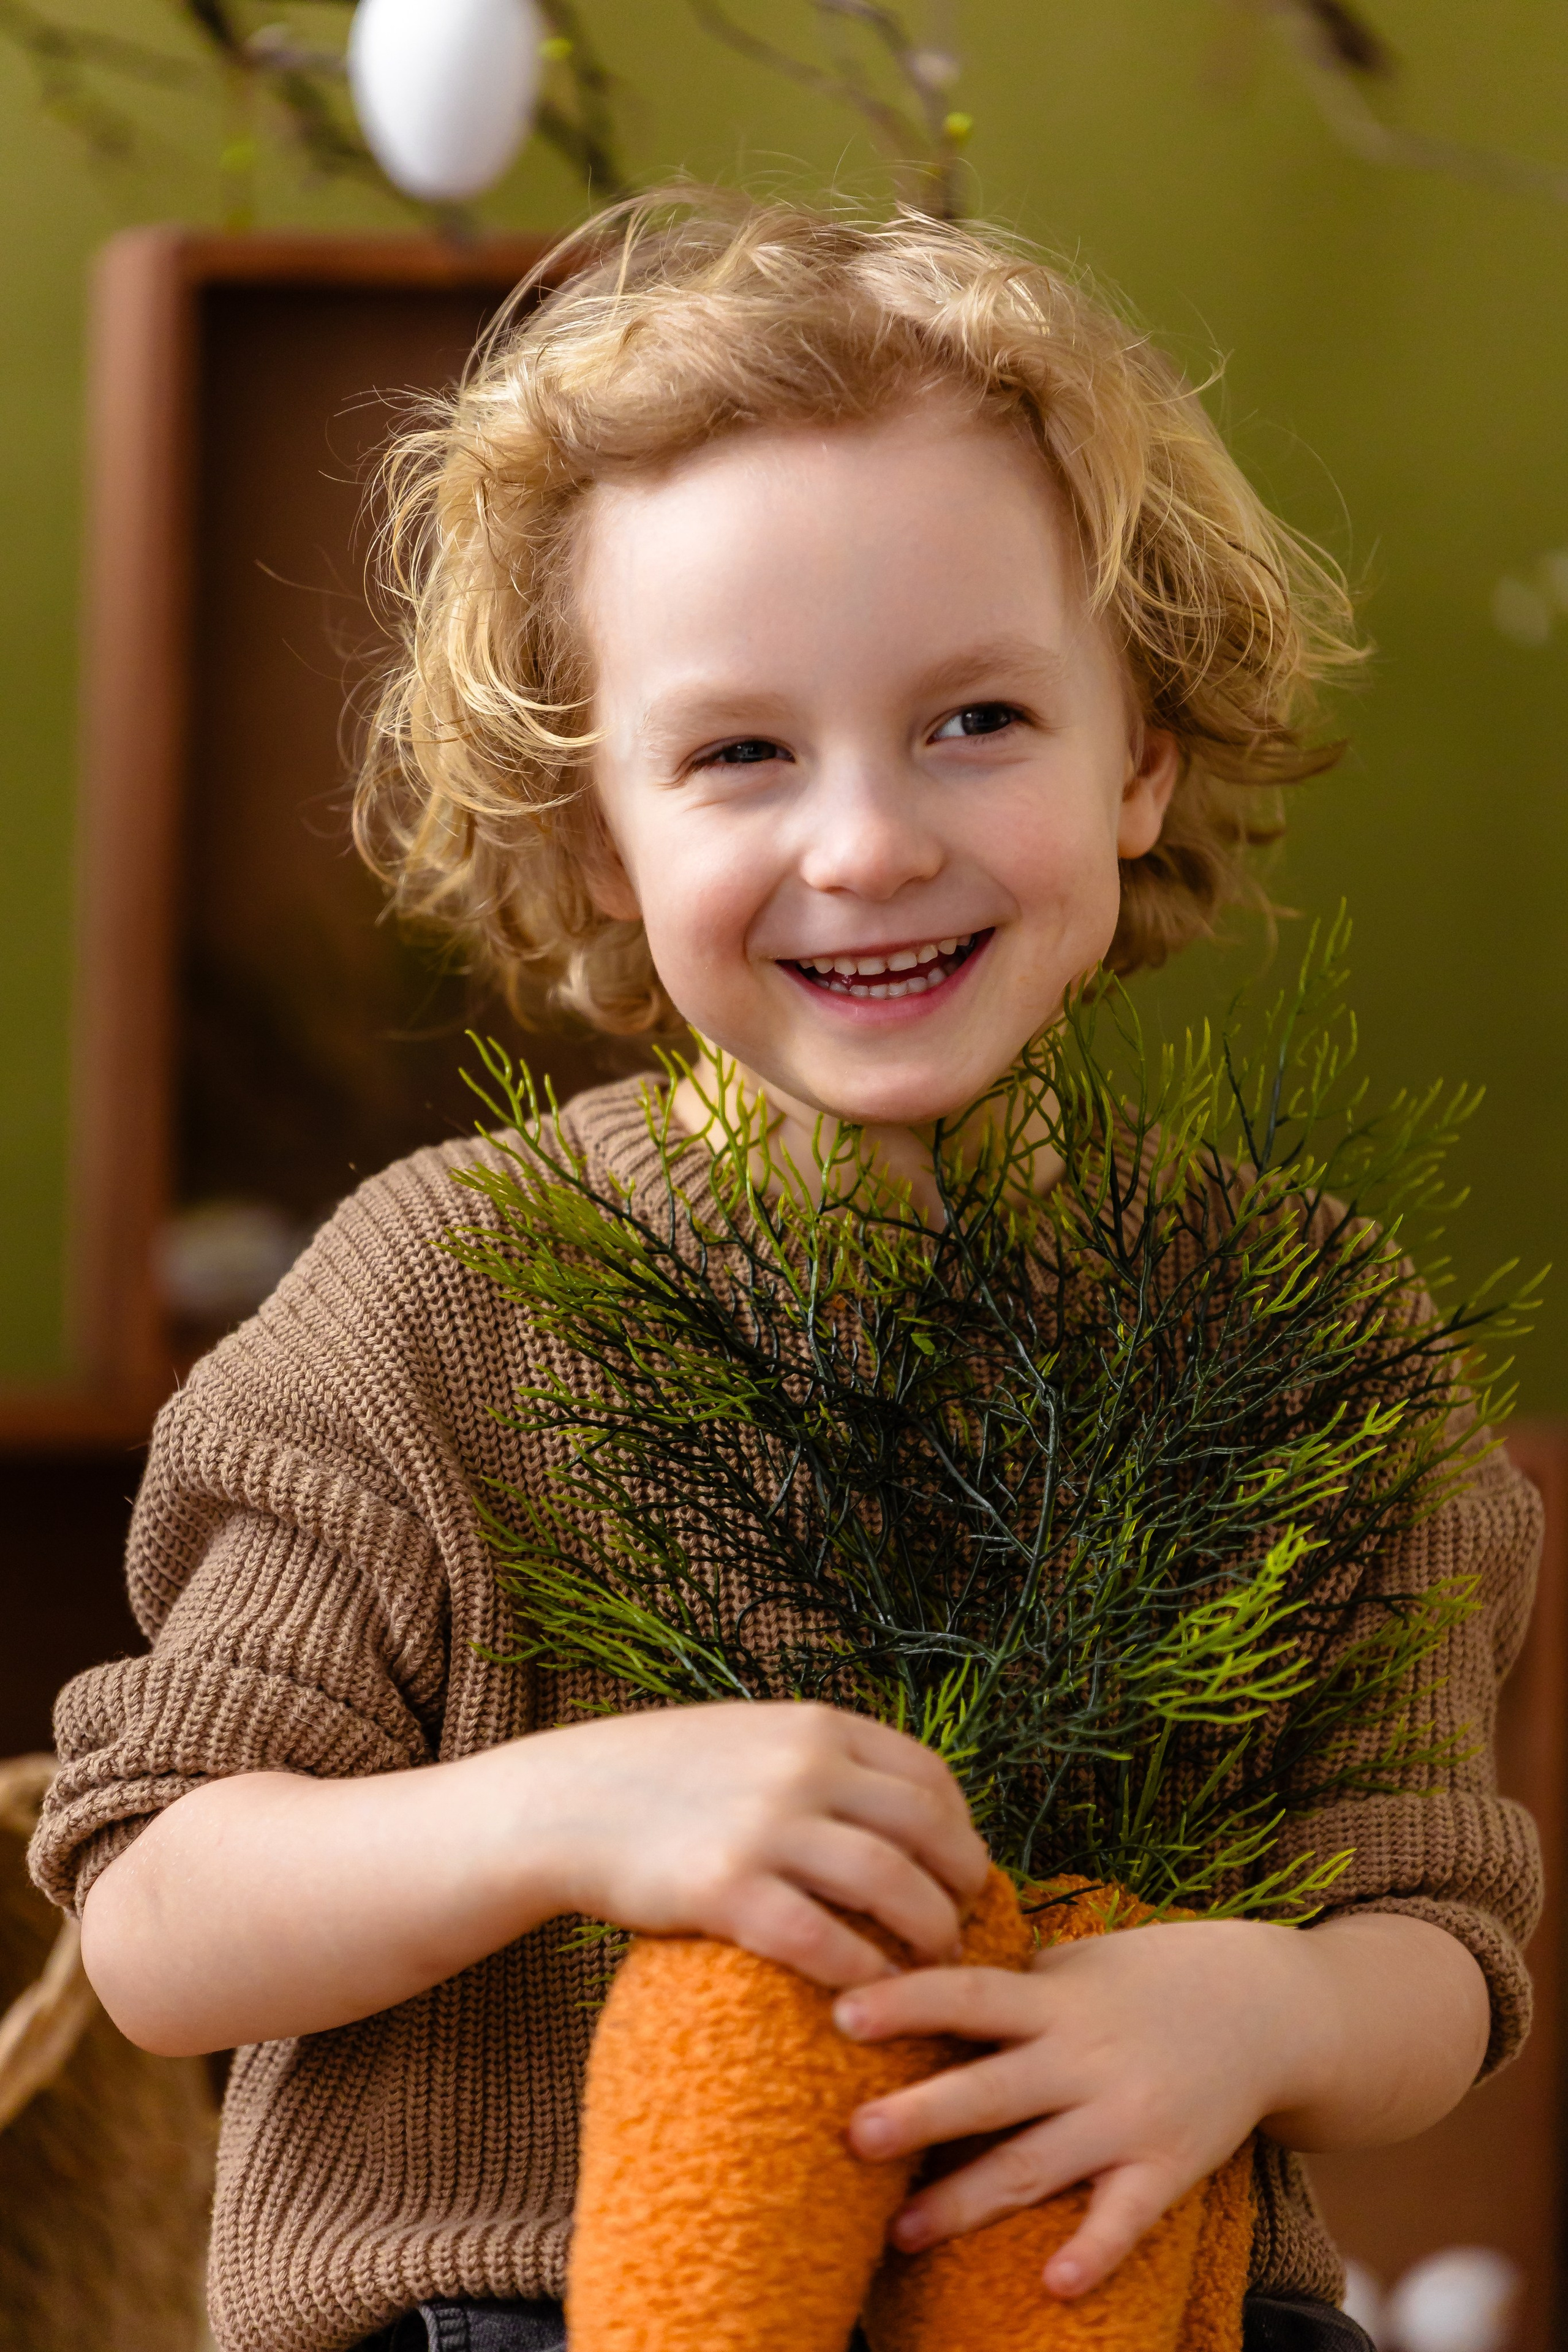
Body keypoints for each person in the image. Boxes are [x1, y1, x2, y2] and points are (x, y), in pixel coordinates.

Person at [31, 194, 1541, 2352]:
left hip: (1119, 2303)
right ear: (594, 840)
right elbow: (160, 1913)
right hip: (529, 2313)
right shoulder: (433, 1304)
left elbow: (1445, 1937)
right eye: (741, 753)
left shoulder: (1308, 1339)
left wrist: (1268, 2002)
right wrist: (559, 1813)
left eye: (977, 722)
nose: (865, 842)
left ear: (1145, 757)